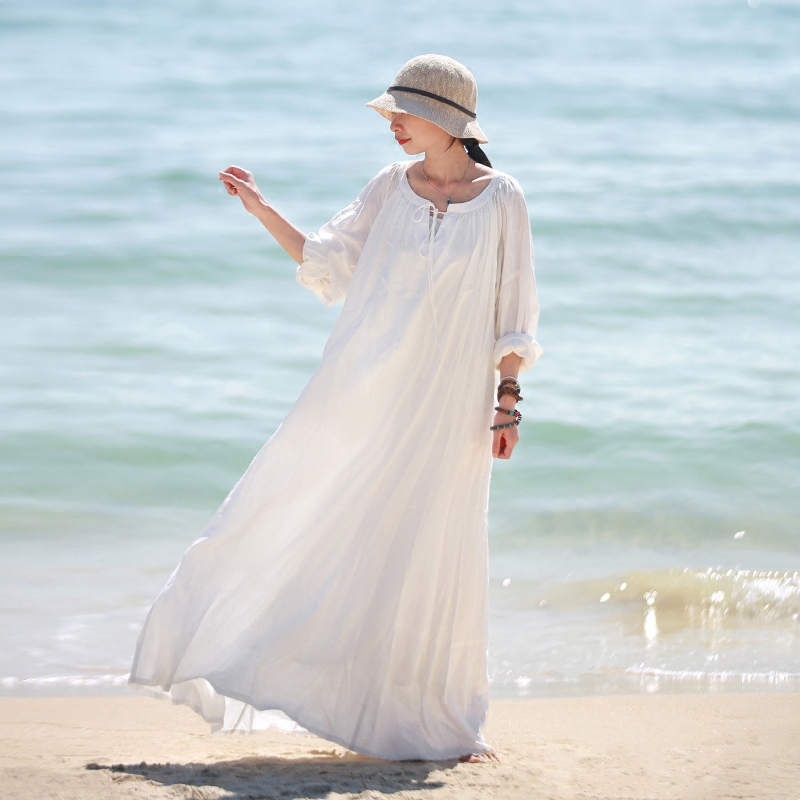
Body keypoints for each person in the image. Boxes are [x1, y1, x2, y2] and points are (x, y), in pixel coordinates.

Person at [129, 54, 541, 763]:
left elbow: (516, 307)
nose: (391, 125)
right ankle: (274, 662)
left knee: (435, 545)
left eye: (401, 113)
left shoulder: (503, 198)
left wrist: (507, 401)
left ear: (444, 118)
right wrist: (261, 209)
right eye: (391, 114)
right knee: (315, 512)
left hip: (450, 407)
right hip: (369, 390)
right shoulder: (391, 187)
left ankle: (443, 723)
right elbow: (327, 262)